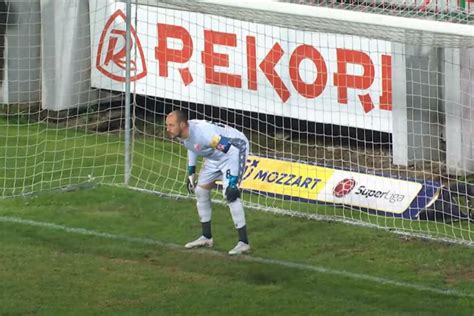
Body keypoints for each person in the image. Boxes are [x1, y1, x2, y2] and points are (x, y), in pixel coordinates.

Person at [165, 110, 251, 255]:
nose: (168, 129)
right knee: (200, 190)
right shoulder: (182, 134)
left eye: (171, 125)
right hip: (214, 156)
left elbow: (232, 152)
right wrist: (191, 172)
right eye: (167, 125)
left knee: (230, 194)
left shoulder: (204, 134)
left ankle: (243, 243)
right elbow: (192, 146)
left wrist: (232, 182)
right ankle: (206, 237)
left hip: (235, 149)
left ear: (182, 124)